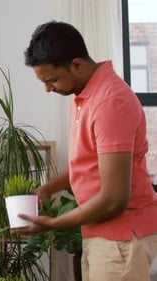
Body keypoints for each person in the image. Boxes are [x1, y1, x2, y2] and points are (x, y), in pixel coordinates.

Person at [19, 20, 157, 281]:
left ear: (77, 64)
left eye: (52, 80)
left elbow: (114, 199)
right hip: (102, 233)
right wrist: (48, 188)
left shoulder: (110, 103)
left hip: (121, 238)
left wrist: (53, 224)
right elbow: (90, 162)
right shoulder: (84, 96)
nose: (48, 89)